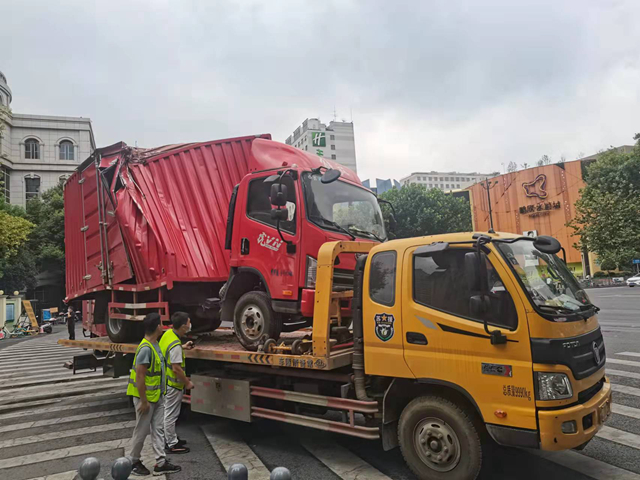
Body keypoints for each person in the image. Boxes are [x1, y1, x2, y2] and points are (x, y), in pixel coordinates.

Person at [127, 313, 181, 476]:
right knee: (141, 431)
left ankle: (161, 462)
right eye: (161, 324)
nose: (163, 326)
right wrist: (143, 401)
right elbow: (140, 376)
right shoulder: (145, 349)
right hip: (146, 399)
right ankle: (133, 461)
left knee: (158, 430)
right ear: (157, 327)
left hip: (157, 396)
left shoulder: (155, 344)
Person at [159, 311, 195, 454]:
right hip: (173, 384)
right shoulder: (175, 344)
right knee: (171, 414)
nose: (190, 325)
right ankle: (172, 444)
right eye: (188, 323)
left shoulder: (169, 335)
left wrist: (183, 346)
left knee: (168, 413)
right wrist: (187, 383)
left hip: (165, 382)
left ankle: (170, 438)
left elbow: (170, 349)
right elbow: (176, 369)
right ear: (183, 327)